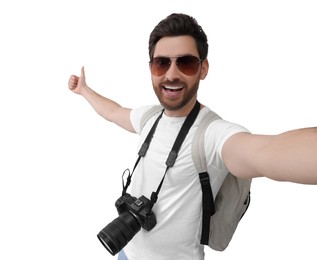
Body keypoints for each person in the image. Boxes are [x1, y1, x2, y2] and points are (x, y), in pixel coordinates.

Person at [68, 13, 317, 260]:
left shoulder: (212, 134)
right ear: (151, 69)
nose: (171, 74)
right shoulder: (149, 118)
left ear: (203, 68)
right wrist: (84, 90)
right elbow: (113, 111)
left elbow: (267, 152)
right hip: (126, 252)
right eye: (161, 63)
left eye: (185, 62)